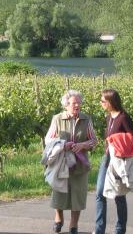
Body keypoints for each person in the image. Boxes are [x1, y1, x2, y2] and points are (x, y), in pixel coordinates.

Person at [45, 90, 97, 234]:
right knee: (59, 192)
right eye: (74, 103)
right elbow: (48, 139)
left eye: (79, 103)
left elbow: (94, 140)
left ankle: (73, 225)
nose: (77, 105)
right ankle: (58, 217)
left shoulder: (86, 119)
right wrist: (63, 144)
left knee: (78, 195)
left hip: (80, 163)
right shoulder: (57, 119)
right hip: (62, 162)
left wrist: (83, 145)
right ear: (66, 105)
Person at [94, 89, 133, 234]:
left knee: (119, 195)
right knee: (100, 193)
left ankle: (120, 230)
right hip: (107, 157)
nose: (100, 103)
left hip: (119, 160)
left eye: (102, 101)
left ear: (110, 102)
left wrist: (116, 139)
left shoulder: (123, 117)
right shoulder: (109, 117)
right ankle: (99, 230)